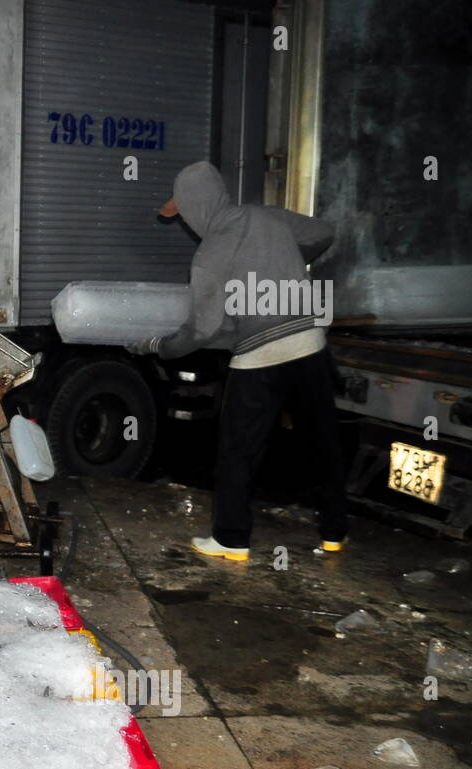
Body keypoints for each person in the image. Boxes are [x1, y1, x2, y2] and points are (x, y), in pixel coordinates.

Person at [129, 161, 345, 561]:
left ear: (196, 206)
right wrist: (289, 257)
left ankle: (232, 540)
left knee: (238, 453)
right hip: (310, 345)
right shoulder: (268, 217)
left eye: (185, 213)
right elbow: (324, 232)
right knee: (321, 443)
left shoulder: (209, 254)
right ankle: (334, 533)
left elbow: (200, 331)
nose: (187, 223)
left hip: (259, 358)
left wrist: (157, 346)